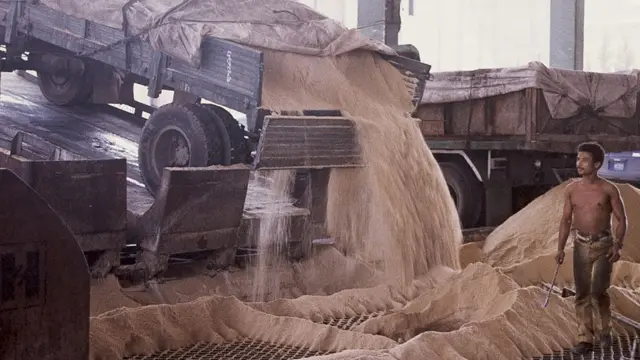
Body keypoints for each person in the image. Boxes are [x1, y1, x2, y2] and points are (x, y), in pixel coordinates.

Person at [555, 141, 627, 354]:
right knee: (582, 294)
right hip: (581, 245)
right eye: (578, 159)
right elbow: (566, 220)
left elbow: (621, 219)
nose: (580, 163)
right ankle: (585, 339)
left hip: (604, 245)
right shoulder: (571, 190)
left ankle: (605, 333)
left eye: (585, 160)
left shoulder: (608, 189)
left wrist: (618, 245)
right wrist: (559, 248)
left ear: (597, 164)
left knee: (598, 291)